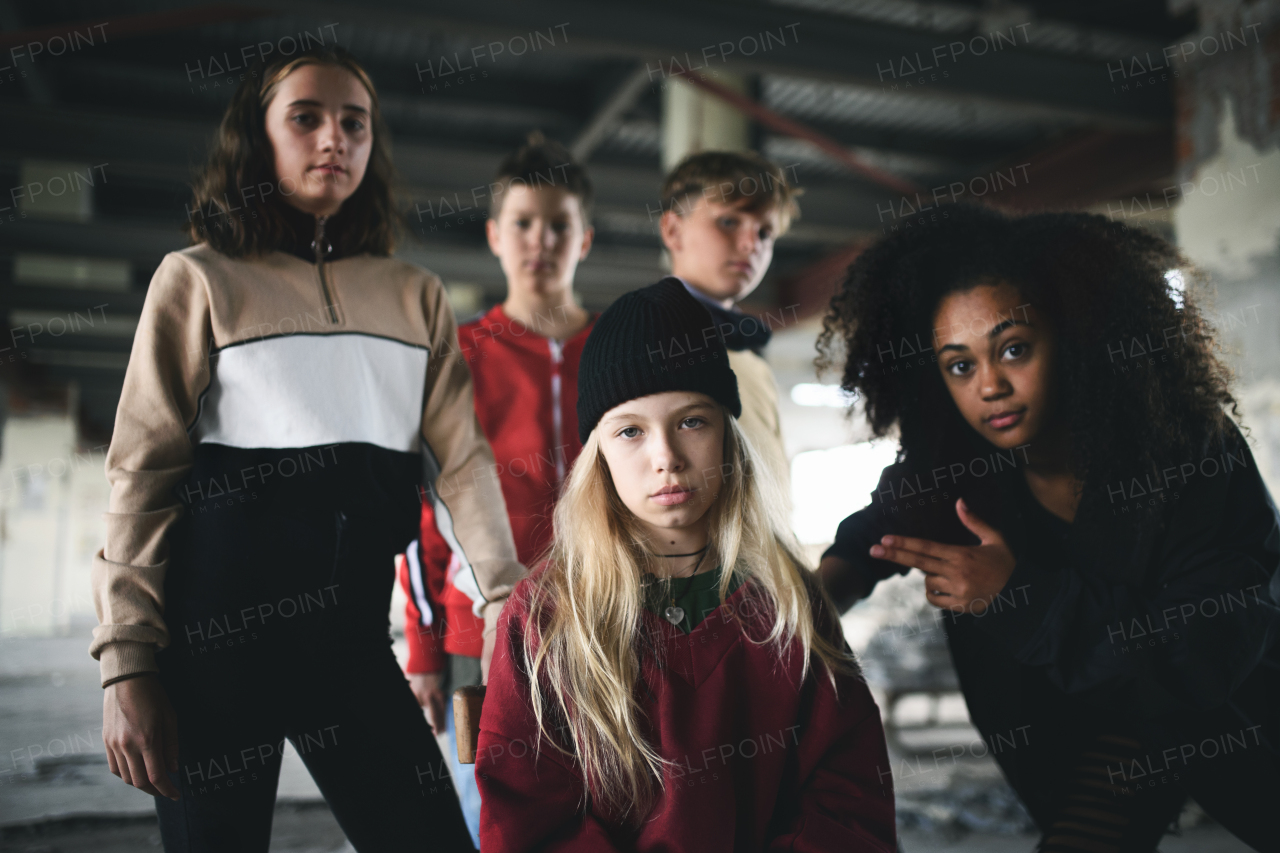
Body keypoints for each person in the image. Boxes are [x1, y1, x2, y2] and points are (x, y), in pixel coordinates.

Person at [91, 46, 521, 851]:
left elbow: (463, 465)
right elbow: (140, 476)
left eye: (354, 122)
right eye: (307, 117)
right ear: (258, 139)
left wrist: (506, 602)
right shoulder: (197, 281)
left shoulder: (414, 296)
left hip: (350, 642)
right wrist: (127, 663)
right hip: (209, 653)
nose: (335, 138)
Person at [815, 205, 1280, 852]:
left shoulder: (1184, 450)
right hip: (1098, 737)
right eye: (959, 364)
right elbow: (877, 535)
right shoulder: (960, 467)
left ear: (1074, 337)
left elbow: (1200, 656)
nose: (990, 386)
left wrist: (1016, 597)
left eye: (1013, 348)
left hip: (1235, 713)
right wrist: (802, 610)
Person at [475, 278, 897, 852]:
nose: (666, 458)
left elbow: (848, 796)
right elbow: (529, 823)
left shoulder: (787, 599)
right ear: (597, 454)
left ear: (728, 436)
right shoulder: (547, 615)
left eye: (692, 421)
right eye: (630, 431)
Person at [398, 132, 596, 848]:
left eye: (559, 224)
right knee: (488, 816)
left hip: (605, 620)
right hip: (474, 632)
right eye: (522, 222)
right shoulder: (458, 355)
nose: (540, 240)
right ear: (493, 235)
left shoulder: (615, 351)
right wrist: (423, 645)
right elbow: (421, 510)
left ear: (586, 238)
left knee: (602, 806)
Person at [658, 151, 799, 493]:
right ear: (673, 231)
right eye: (729, 222)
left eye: (765, 233)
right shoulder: (651, 345)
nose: (752, 245)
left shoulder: (749, 353)